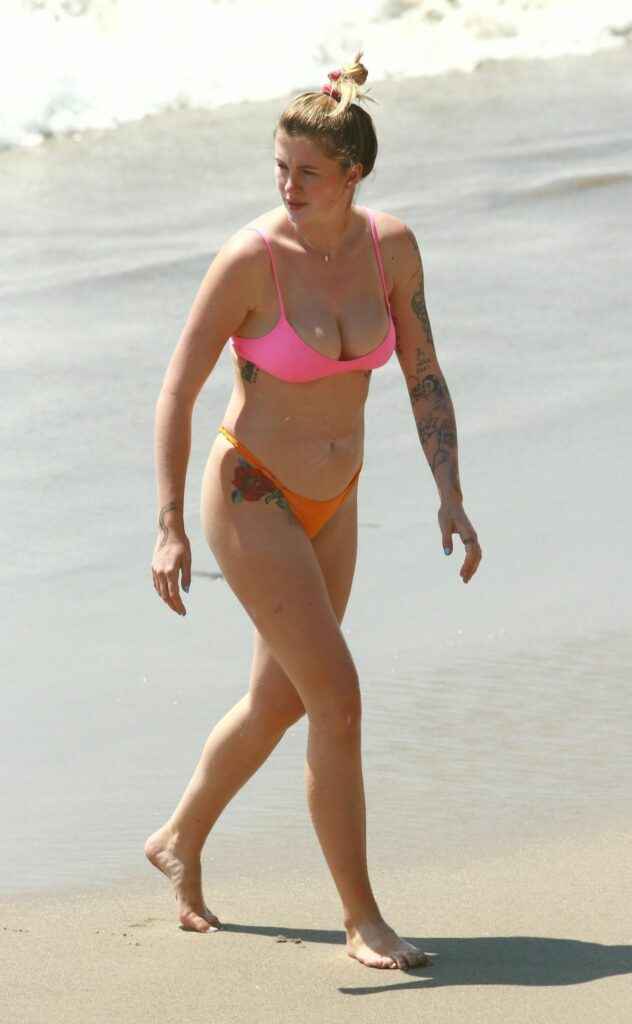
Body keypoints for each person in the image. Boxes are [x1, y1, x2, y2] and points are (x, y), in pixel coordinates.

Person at [146, 52, 482, 971]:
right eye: (280, 167)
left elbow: (423, 372)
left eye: (307, 172)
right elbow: (176, 391)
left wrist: (450, 492)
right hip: (251, 491)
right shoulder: (251, 261)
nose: (288, 186)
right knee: (338, 701)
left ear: (353, 174)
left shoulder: (391, 249)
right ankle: (362, 918)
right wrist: (169, 525)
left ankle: (177, 837)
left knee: (282, 698)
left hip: (336, 499)